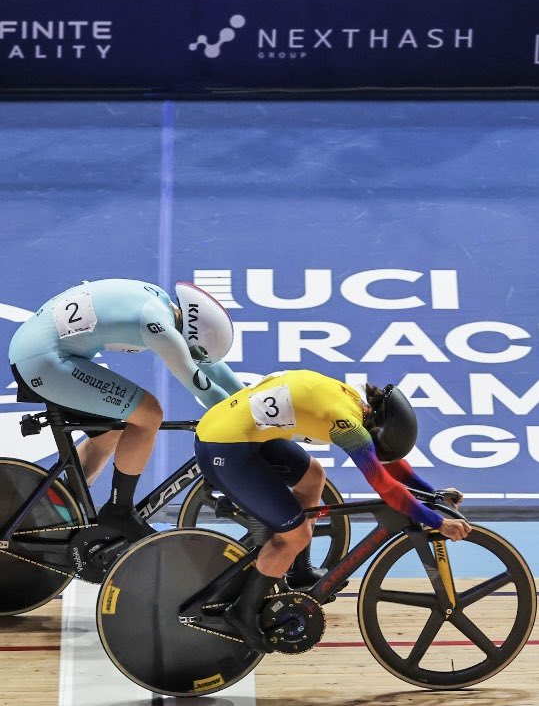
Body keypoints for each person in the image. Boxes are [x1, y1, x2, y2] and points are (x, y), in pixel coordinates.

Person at [194, 369, 472, 652]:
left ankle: (299, 572)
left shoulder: (358, 405)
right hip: (224, 447)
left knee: (313, 477)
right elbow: (385, 485)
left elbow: (391, 464)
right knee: (295, 534)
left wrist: (432, 493)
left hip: (244, 431)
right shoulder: (349, 428)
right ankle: (241, 612)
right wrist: (437, 522)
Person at [9, 278, 244, 541]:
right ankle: (119, 511)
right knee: (149, 413)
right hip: (45, 361)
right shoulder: (158, 326)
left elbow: (210, 366)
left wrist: (248, 397)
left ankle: (61, 510)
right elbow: (200, 384)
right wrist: (244, 417)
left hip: (37, 351)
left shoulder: (162, 304)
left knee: (108, 434)